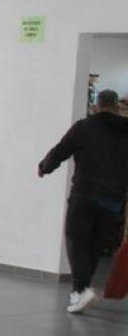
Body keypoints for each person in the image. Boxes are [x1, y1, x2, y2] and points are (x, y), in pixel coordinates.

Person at [38, 88, 128, 313]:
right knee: (95, 246)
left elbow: (61, 151)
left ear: (97, 106)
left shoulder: (84, 127)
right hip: (113, 201)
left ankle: (81, 290)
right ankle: (81, 291)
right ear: (117, 107)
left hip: (86, 195)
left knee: (76, 240)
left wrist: (44, 167)